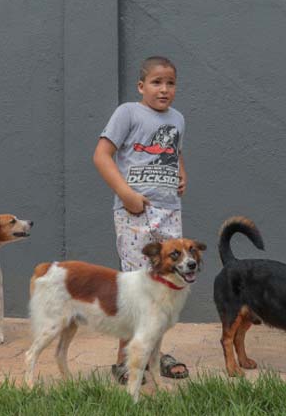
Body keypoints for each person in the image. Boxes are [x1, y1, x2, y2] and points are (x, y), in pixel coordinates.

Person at [93, 56, 190, 383]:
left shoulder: (178, 119)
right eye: (156, 82)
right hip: (136, 213)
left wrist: (182, 174)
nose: (164, 89)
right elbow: (101, 155)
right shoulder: (128, 113)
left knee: (166, 285)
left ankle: (153, 354)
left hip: (170, 211)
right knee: (137, 286)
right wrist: (126, 194)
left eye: (170, 83)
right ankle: (125, 359)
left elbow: (174, 152)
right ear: (141, 86)